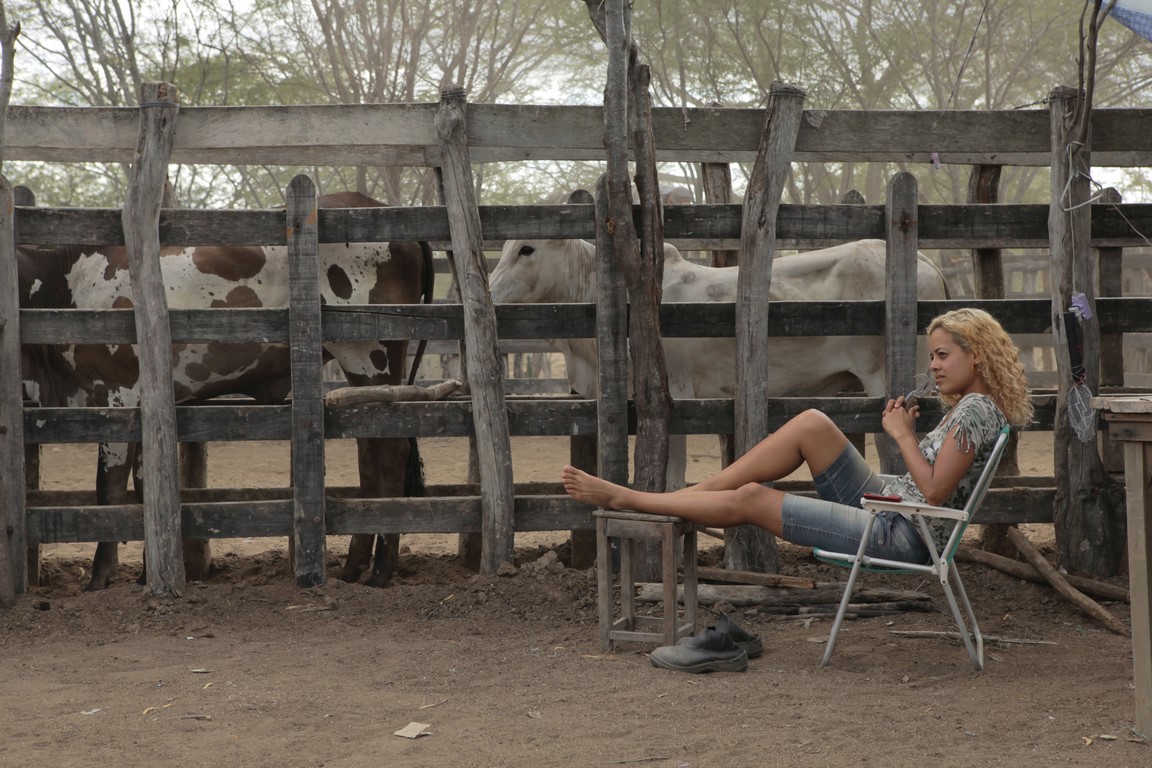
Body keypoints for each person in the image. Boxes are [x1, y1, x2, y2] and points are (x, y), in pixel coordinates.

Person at [562, 308, 1033, 564]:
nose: (933, 365)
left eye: (943, 355)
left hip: (901, 532)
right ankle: (695, 496)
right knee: (812, 423)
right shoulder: (976, 409)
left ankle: (632, 499)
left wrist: (900, 435)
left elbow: (934, 492)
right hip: (889, 505)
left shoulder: (976, 412)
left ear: (977, 358)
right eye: (932, 355)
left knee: (751, 498)